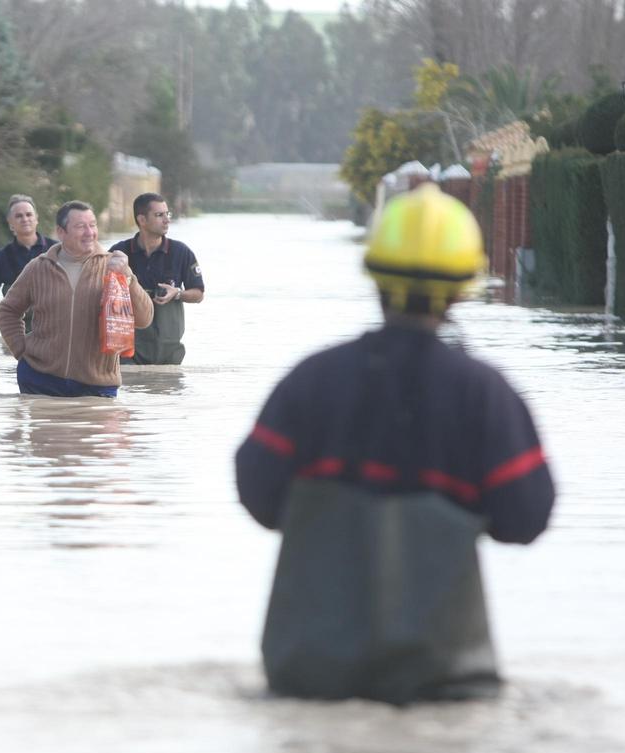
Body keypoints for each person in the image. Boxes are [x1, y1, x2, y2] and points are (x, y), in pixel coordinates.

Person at [234, 183, 555, 705]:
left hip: (309, 675)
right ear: (463, 287)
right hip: (443, 683)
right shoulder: (485, 396)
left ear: (375, 276)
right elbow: (525, 518)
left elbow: (258, 494)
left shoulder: (310, 381)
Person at [0, 200, 154, 398]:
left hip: (97, 384)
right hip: (40, 379)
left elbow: (144, 319)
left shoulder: (113, 266)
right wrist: (21, 351)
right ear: (61, 232)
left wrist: (128, 278)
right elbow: (8, 311)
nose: (90, 232)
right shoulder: (38, 267)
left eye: (93, 225)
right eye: (80, 226)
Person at [110, 192, 204, 365]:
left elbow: (199, 294)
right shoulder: (119, 253)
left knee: (170, 390)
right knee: (132, 392)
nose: (167, 220)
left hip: (170, 354)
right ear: (142, 220)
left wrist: (177, 294)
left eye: (167, 214)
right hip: (128, 353)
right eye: (159, 215)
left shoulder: (181, 252)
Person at [0, 194, 58, 298]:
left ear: (36, 218)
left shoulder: (58, 250)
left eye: (29, 215)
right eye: (19, 216)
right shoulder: (0, 258)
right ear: (10, 222)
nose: (25, 219)